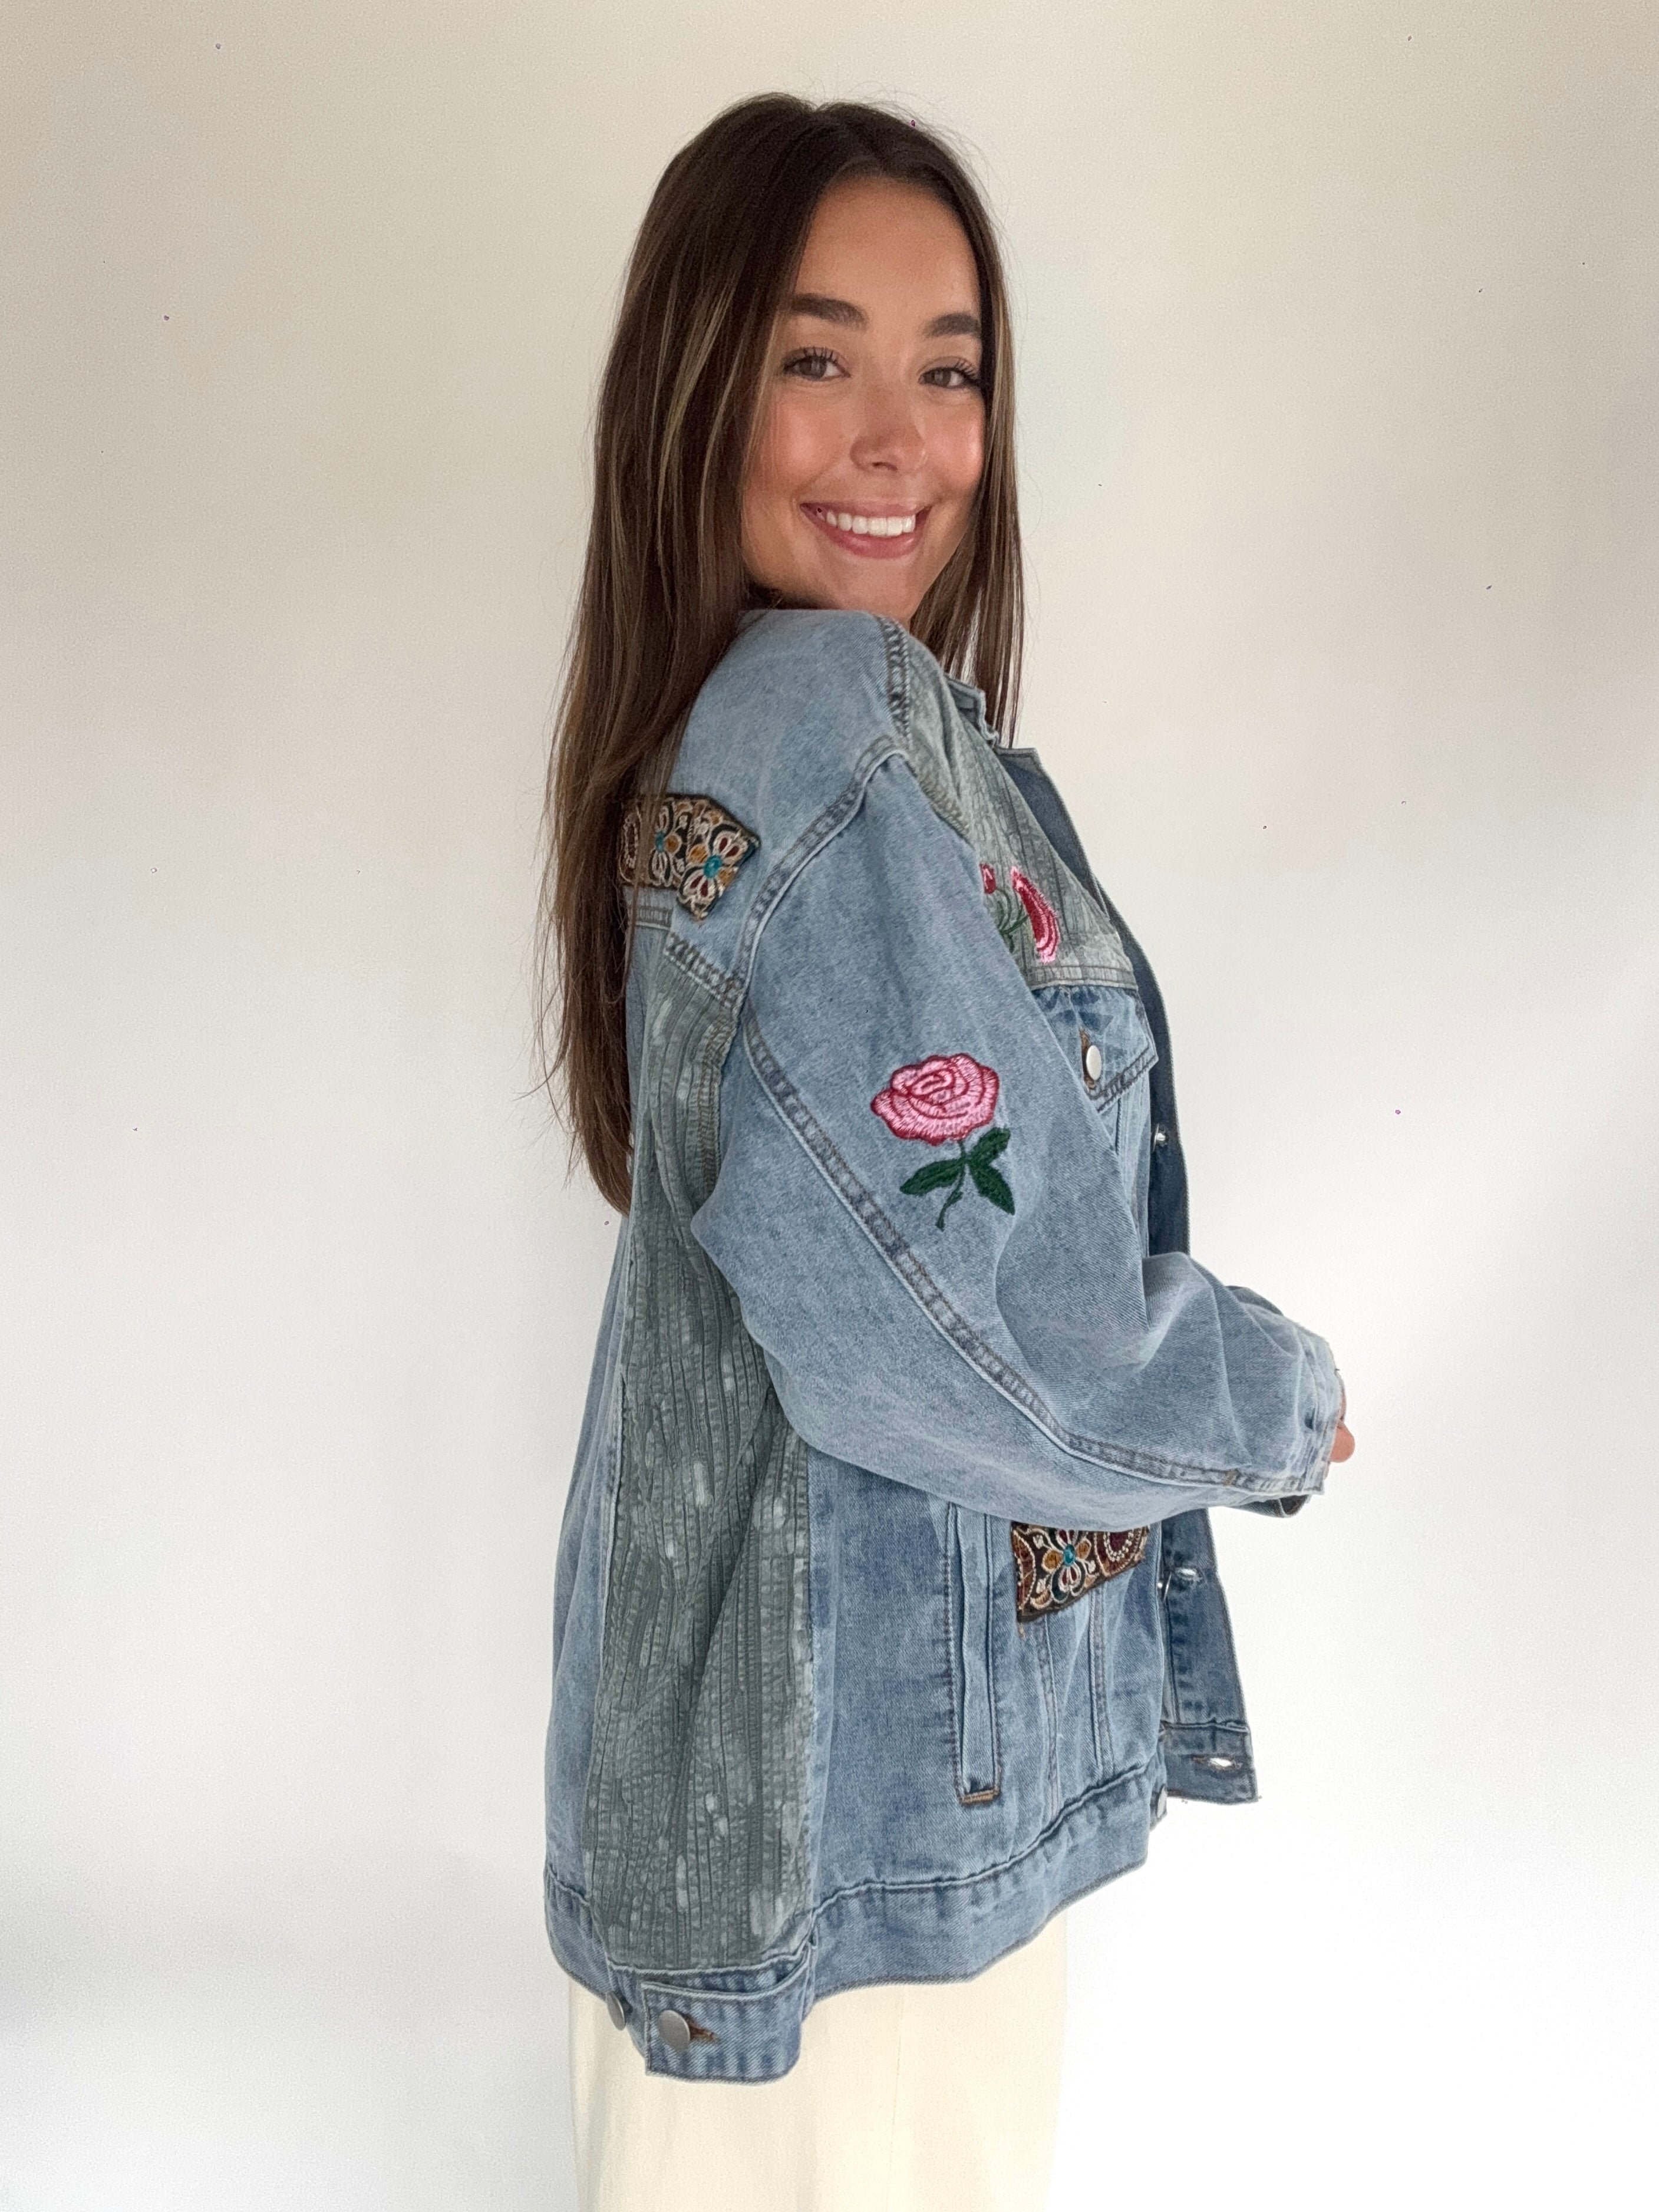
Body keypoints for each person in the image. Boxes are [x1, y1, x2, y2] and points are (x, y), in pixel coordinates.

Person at [536, 94, 1354, 2212]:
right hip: (859, 1869)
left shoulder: (803, 727)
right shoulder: (820, 728)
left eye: (952, 369)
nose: (901, 439)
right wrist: (1270, 1401)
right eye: (819, 358)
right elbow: (977, 1323)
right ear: (699, 392)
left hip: (812, 1822)